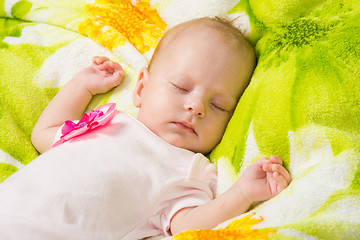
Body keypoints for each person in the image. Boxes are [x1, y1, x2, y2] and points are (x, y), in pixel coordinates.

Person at [0, 17, 290, 239]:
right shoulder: (109, 120)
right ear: (141, 87)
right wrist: (82, 86)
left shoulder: (189, 169)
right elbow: (45, 135)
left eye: (219, 106)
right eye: (180, 87)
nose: (196, 107)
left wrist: (242, 194)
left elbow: (186, 225)